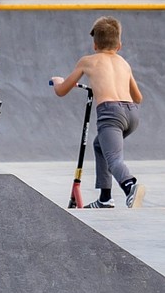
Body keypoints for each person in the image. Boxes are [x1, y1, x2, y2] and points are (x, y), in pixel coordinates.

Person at [51, 16, 144, 208]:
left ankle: (130, 185)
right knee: (100, 145)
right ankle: (105, 198)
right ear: (119, 45)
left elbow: (61, 91)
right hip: (132, 114)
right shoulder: (124, 63)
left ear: (94, 45)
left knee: (114, 158)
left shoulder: (87, 61)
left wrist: (57, 81)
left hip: (110, 114)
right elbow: (138, 98)